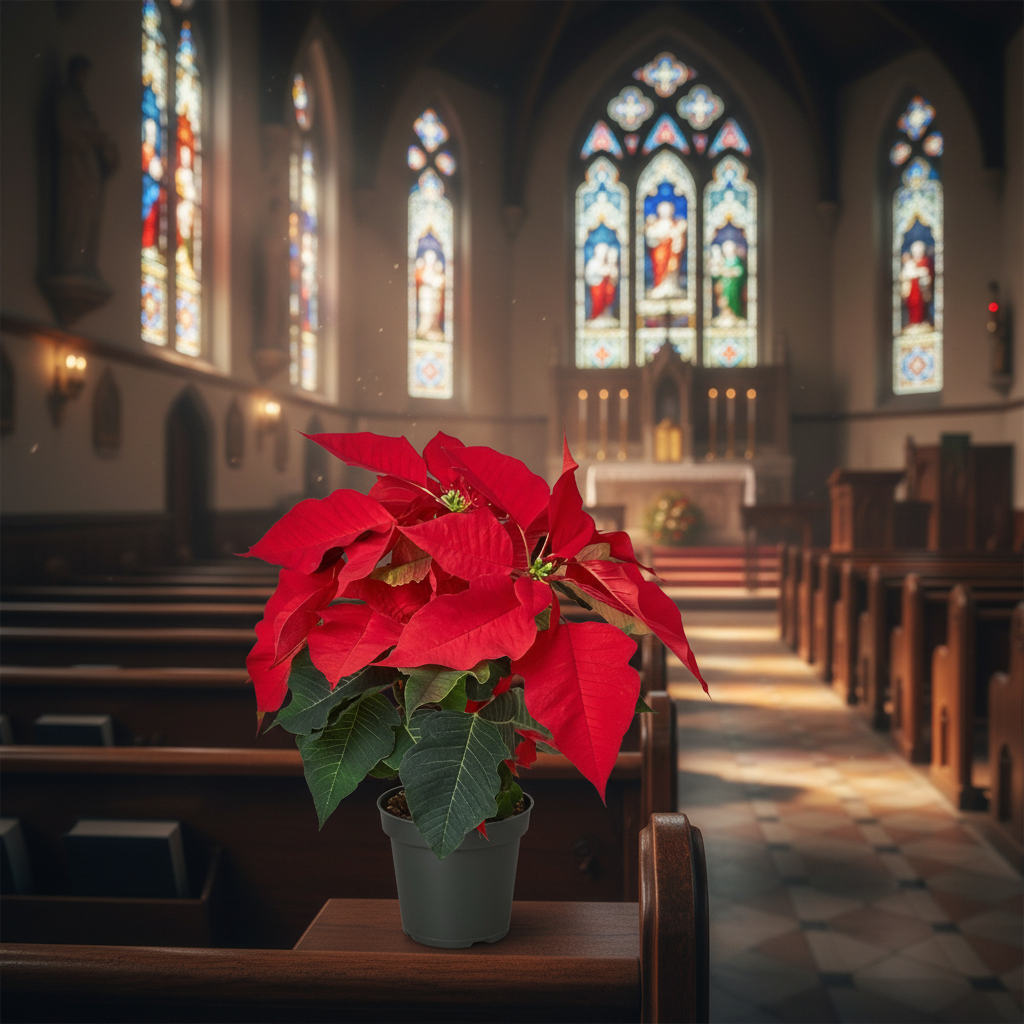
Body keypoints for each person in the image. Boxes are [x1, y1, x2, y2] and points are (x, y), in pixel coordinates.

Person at [54, 55, 119, 278]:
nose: (84, 78)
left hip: (90, 171)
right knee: (76, 215)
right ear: (74, 73)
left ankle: (85, 265)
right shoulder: (68, 99)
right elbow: (68, 130)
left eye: (86, 75)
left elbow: (94, 133)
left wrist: (105, 150)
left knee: (89, 218)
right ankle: (72, 265)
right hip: (75, 169)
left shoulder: (82, 102)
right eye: (81, 73)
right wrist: (90, 134)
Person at [645, 199, 686, 299]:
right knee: (659, 267)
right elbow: (651, 239)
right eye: (663, 209)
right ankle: (659, 286)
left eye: (667, 209)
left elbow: (679, 241)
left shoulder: (675, 224)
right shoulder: (655, 224)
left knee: (672, 268)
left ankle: (671, 286)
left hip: (672, 254)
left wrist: (676, 236)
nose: (665, 212)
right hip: (659, 253)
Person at [900, 238, 933, 330]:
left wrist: (922, 274)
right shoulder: (910, 262)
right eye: (915, 251)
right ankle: (913, 323)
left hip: (921, 290)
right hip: (912, 289)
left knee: (921, 306)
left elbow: (928, 273)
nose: (917, 253)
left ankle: (921, 322)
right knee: (912, 305)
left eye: (919, 251)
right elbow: (905, 274)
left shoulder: (925, 261)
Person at [711, 238, 746, 323]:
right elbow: (716, 273)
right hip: (725, 286)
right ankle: (725, 316)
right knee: (724, 301)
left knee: (734, 301)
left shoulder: (737, 260)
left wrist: (729, 272)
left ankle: (735, 316)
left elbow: (740, 272)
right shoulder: (723, 261)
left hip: (734, 287)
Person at [415, 246, 446, 341]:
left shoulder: (437, 270)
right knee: (426, 314)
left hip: (434, 298)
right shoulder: (422, 269)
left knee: (434, 315)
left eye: (432, 258)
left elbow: (442, 281)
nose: (431, 261)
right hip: (425, 296)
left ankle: (434, 331)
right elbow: (419, 278)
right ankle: (424, 331)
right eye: (429, 258)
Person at [584, 241, 619, 322]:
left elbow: (613, 279)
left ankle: (605, 315)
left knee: (606, 302)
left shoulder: (606, 263)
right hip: (596, 288)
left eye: (604, 253)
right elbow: (590, 274)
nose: (603, 255)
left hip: (604, 290)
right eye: (602, 253)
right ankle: (596, 317)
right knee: (597, 303)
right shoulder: (593, 263)